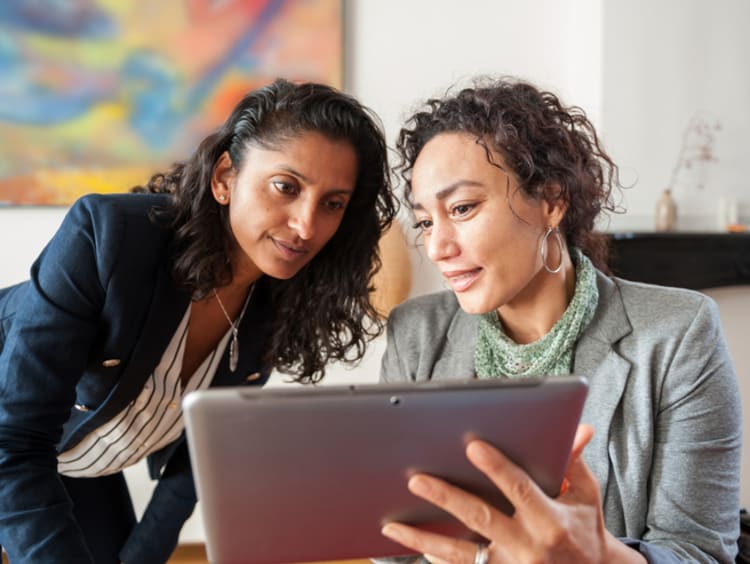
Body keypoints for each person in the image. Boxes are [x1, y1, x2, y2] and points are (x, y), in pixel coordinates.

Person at [0, 78, 396, 563]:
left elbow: (193, 463)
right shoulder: (107, 240)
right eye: (285, 187)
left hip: (76, 465)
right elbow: (14, 443)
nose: (306, 225)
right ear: (225, 177)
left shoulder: (279, 302)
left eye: (332, 203)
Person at [377, 77, 741, 563]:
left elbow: (702, 554)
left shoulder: (679, 333)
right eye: (425, 221)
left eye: (462, 208)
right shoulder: (416, 336)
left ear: (551, 202)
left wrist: (596, 557)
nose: (438, 248)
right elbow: (393, 550)